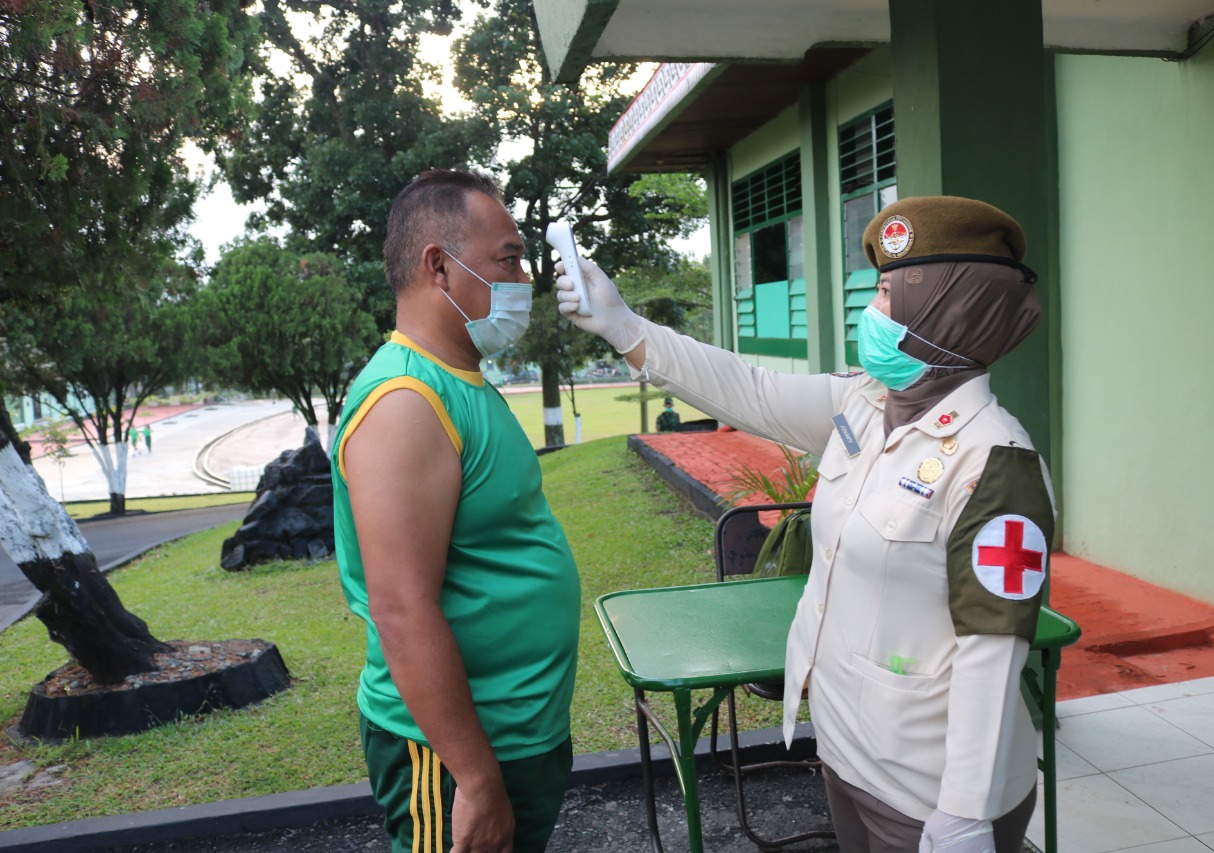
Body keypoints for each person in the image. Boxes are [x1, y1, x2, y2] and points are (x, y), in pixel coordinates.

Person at [556, 195, 1053, 853]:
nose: (870, 312)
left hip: (928, 790)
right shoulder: (863, 404)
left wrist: (963, 814)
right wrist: (625, 327)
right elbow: (750, 389)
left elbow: (994, 652)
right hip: (846, 749)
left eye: (886, 292)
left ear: (945, 306)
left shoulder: (995, 462)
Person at [331, 169, 580, 853]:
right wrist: (474, 777)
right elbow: (402, 608)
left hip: (515, 734)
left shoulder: (461, 380)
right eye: (508, 258)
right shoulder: (405, 402)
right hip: (458, 758)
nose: (525, 277)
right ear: (438, 265)